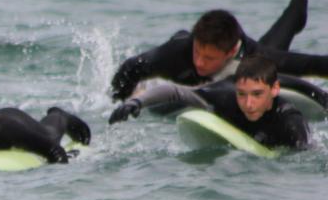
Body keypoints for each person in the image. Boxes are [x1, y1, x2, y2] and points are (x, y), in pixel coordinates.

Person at [109, 0, 328, 100]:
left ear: (231, 52)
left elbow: (309, 63)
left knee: (273, 59)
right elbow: (131, 67)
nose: (199, 62)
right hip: (184, 42)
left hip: (246, 54)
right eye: (197, 53)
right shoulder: (176, 54)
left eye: (209, 58)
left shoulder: (251, 56)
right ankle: (296, 10)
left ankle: (297, 9)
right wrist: (119, 100)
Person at [108, 54, 312, 151]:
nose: (248, 104)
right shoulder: (226, 97)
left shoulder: (290, 122)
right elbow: (176, 92)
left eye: (257, 94)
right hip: (210, 99)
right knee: (159, 110)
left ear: (274, 89)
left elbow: (306, 158)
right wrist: (136, 102)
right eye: (242, 94)